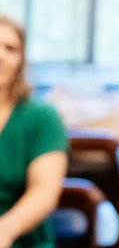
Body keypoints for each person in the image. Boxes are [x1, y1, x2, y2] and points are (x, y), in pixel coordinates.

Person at [0, 15, 68, 248]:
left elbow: (44, 192)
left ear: (21, 60)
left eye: (10, 48)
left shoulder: (42, 116)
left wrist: (5, 231)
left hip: (20, 238)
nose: (1, 56)